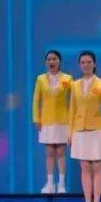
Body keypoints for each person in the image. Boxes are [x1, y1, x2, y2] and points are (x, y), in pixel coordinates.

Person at [69, 50, 101, 202]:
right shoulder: (74, 85)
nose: (86, 65)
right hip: (80, 129)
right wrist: (70, 132)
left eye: (89, 62)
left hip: (97, 129)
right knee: (84, 167)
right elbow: (72, 109)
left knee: (97, 166)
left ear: (94, 64)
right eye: (83, 62)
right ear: (79, 65)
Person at [32, 50, 74, 193]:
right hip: (46, 120)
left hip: (63, 120)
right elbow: (36, 100)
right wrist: (36, 118)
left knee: (61, 152)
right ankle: (50, 184)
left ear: (59, 61)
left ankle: (61, 184)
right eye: (49, 59)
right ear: (46, 62)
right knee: (49, 152)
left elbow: (75, 98)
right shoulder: (40, 79)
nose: (51, 62)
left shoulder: (68, 79)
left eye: (54, 59)